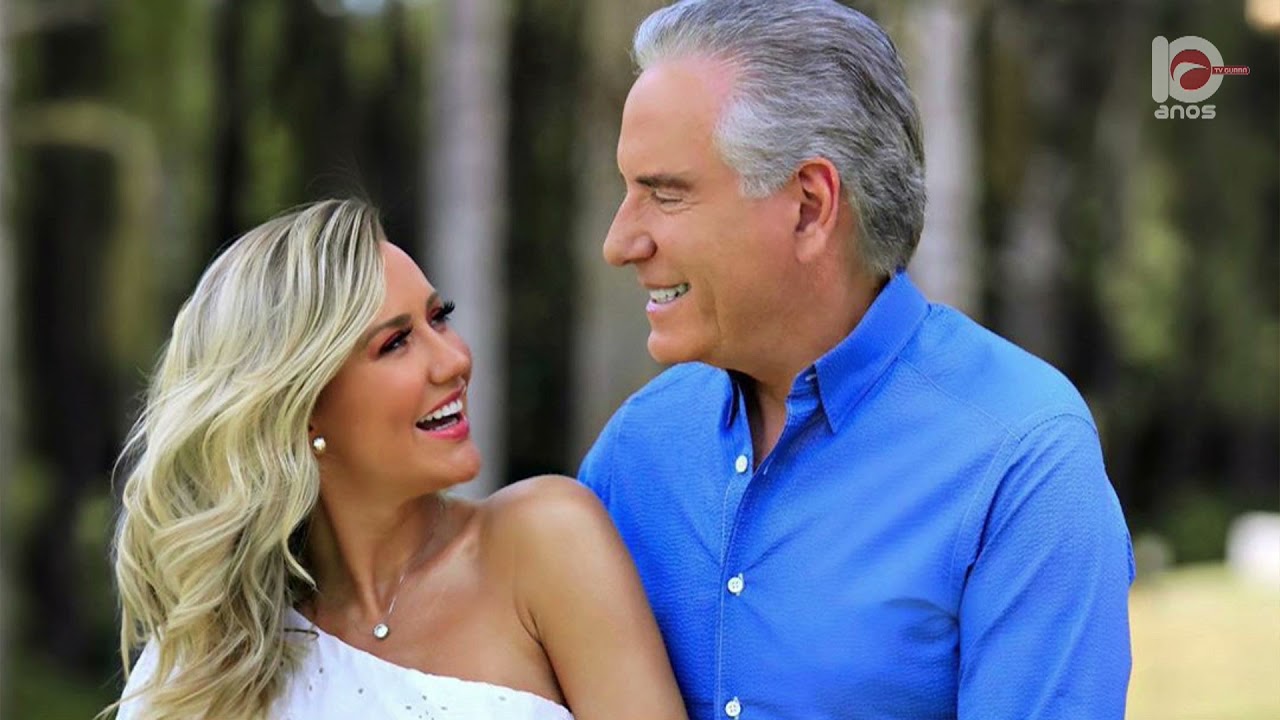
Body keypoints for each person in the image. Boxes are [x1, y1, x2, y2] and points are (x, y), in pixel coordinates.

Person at [578, 1, 1134, 719]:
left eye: (665, 194)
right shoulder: (636, 451)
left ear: (810, 206)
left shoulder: (1022, 459)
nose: (620, 243)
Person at [108, 199, 687, 720]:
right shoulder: (209, 661)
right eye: (395, 343)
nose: (454, 360)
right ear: (302, 407)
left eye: (439, 317)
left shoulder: (545, 540)